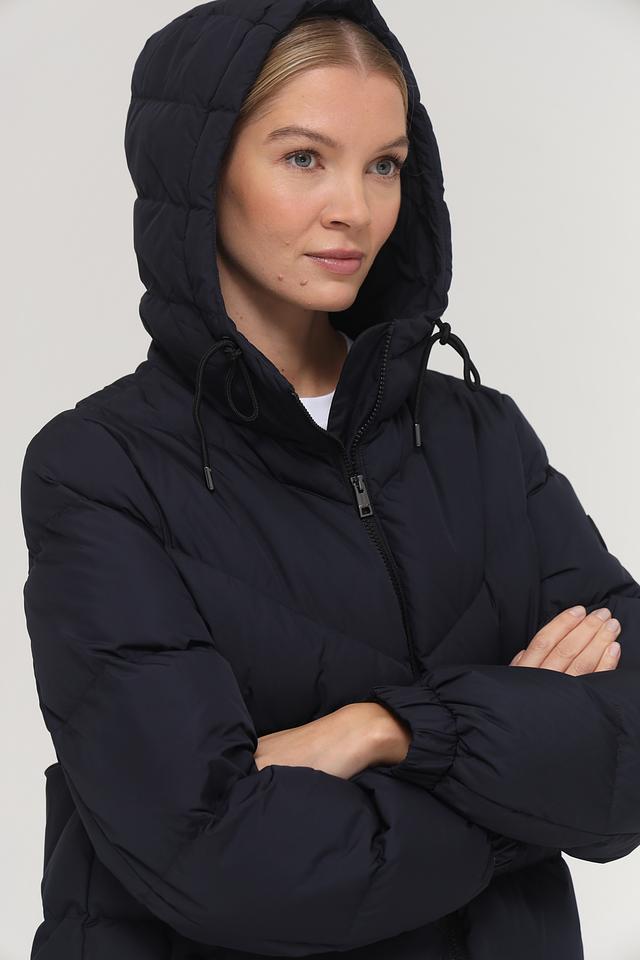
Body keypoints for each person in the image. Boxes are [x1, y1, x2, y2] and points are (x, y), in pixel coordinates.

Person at [19, 2, 640, 959]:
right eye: (305, 157)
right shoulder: (100, 470)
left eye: (384, 164)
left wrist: (386, 729)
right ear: (200, 171)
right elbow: (221, 859)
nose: (355, 207)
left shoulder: (480, 437)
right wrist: (524, 768)